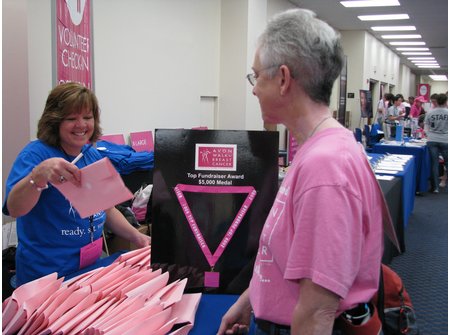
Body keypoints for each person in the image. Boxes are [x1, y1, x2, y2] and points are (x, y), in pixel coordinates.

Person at [218, 9, 384, 334]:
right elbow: (290, 258)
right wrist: (250, 300)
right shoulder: (317, 149)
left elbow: (317, 310)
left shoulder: (325, 167)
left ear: (282, 79)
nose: (253, 90)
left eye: (256, 77)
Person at [3, 82, 150, 287]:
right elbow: (14, 209)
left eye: (87, 117)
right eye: (71, 118)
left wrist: (138, 237)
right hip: (46, 277)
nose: (81, 125)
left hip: (87, 269)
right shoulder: (35, 154)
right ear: (55, 121)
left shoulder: (90, 154)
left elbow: (106, 210)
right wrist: (38, 176)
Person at [424, 93, 448, 193]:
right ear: (446, 101)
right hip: (445, 140)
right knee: (447, 163)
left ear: (437, 101)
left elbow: (425, 127)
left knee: (434, 163)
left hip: (432, 139)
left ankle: (435, 187)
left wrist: (429, 134)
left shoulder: (430, 112)